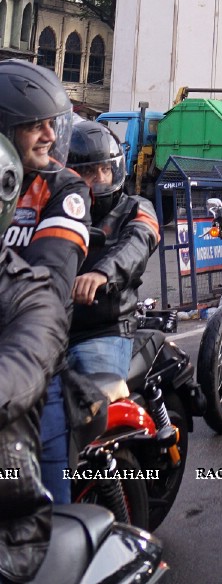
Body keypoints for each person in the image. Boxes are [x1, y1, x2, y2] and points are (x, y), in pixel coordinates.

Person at [0, 60, 90, 508]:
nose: (49, 136)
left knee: (48, 518)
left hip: (35, 376)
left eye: (49, 124)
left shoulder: (63, 188)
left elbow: (49, 295)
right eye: (33, 125)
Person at [0, 131, 71, 584]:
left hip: (7, 520)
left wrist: (104, 272)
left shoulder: (27, 295)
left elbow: (21, 369)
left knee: (52, 469)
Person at [65, 119, 160, 380]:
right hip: (48, 327)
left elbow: (137, 242)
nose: (100, 179)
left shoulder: (135, 208)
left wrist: (101, 274)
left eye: (105, 169)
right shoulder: (56, 210)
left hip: (104, 329)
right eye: (89, 172)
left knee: (92, 410)